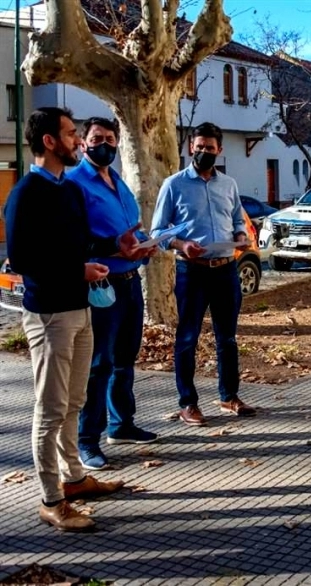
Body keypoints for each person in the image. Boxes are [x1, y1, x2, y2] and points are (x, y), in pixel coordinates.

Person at [4, 107, 146, 532]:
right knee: (50, 410)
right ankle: (51, 500)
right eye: (70, 134)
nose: (79, 142)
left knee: (74, 402)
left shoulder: (66, 189)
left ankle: (75, 479)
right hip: (49, 314)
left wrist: (114, 245)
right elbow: (23, 260)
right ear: (49, 141)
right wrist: (77, 270)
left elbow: (79, 241)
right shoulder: (26, 193)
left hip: (82, 308)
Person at [67, 117, 158, 471]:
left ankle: (121, 425)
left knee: (124, 358)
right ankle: (87, 440)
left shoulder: (118, 181)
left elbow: (127, 232)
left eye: (110, 138)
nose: (103, 143)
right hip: (100, 284)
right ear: (84, 143)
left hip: (131, 282)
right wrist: (114, 250)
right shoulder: (74, 183)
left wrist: (144, 246)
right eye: (96, 138)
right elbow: (75, 239)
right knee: (98, 363)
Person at [151, 122, 256, 426]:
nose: (204, 152)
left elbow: (238, 219)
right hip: (192, 272)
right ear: (190, 148)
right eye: (199, 147)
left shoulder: (229, 185)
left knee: (228, 339)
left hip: (226, 271)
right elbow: (158, 231)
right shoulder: (173, 185)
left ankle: (229, 396)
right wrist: (182, 244)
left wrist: (240, 235)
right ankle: (188, 403)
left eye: (210, 148)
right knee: (187, 338)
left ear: (219, 151)